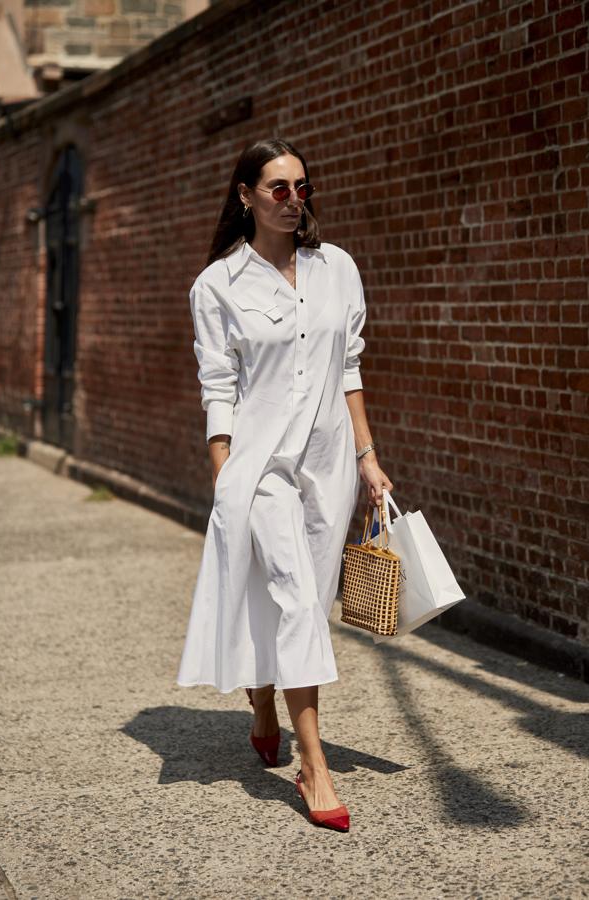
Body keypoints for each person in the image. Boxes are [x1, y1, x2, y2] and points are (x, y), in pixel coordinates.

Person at [177, 137, 394, 832]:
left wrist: (367, 456)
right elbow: (218, 388)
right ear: (245, 195)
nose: (293, 199)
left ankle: (264, 698)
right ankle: (313, 764)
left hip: (328, 461)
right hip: (259, 465)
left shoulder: (337, 269)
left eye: (303, 187)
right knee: (296, 597)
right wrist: (224, 475)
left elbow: (349, 368)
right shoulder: (218, 286)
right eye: (278, 188)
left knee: (308, 599)